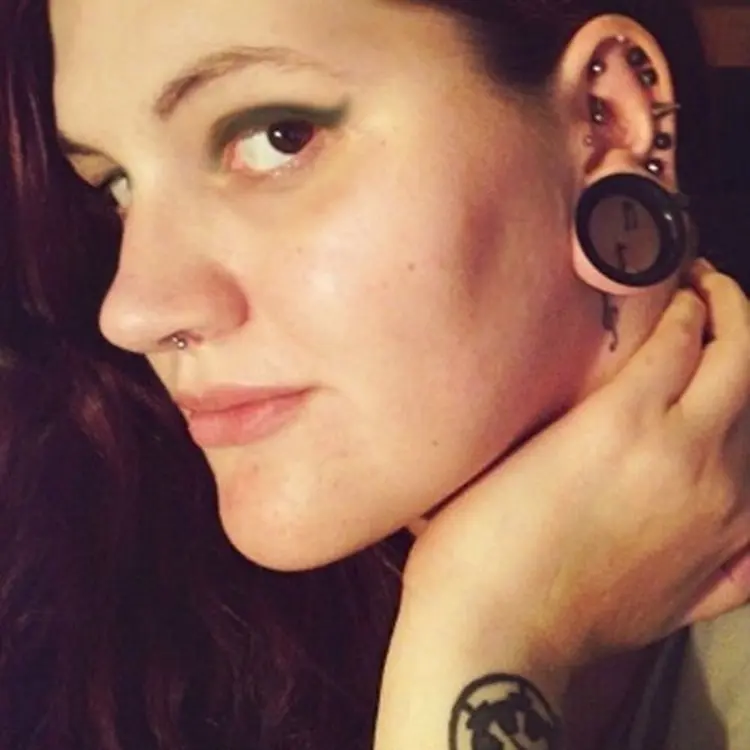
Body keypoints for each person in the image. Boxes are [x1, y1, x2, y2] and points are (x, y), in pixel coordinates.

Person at [0, 0, 748, 748]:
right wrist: (494, 625)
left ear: (605, 117)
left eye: (276, 136)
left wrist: (486, 625)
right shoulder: (72, 568)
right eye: (117, 187)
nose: (134, 312)